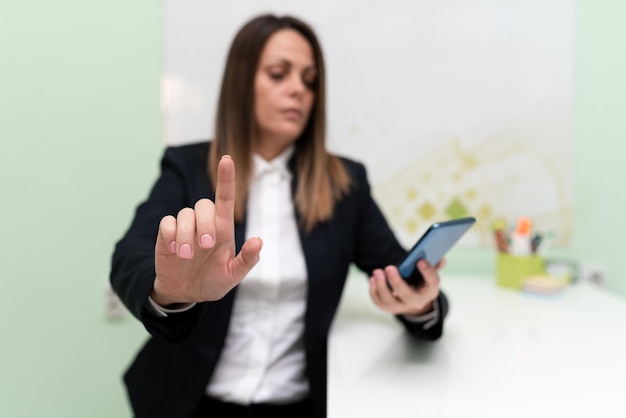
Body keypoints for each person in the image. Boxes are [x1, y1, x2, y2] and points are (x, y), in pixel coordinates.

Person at [110, 13, 448, 418]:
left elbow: (399, 272)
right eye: (278, 74)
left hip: (299, 405)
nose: (298, 91)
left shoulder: (345, 184)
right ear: (241, 83)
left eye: (309, 80)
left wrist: (419, 303)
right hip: (187, 402)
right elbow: (128, 258)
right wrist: (172, 294)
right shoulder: (188, 167)